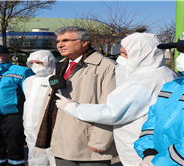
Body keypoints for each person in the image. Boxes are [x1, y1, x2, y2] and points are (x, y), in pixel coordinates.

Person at [55, 33, 179, 165]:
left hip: (140, 147)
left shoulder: (147, 80)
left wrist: (72, 108)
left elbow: (112, 112)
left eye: (125, 54)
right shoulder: (163, 73)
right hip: (149, 145)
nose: (121, 58)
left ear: (143, 54)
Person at [35, 26, 117, 166]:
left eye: (66, 40)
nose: (60, 44)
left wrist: (100, 141)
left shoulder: (107, 67)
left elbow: (111, 107)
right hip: (61, 140)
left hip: (88, 144)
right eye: (58, 41)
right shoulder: (60, 66)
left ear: (84, 42)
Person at [134, 32, 184, 166]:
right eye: (180, 52)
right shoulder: (172, 86)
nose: (180, 58)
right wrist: (149, 152)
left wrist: (160, 162)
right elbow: (154, 120)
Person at [23, 50, 56, 166]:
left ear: (50, 62)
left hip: (49, 127)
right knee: (34, 155)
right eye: (32, 63)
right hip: (29, 126)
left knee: (53, 157)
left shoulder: (56, 80)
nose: (35, 65)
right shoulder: (28, 81)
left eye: (39, 62)